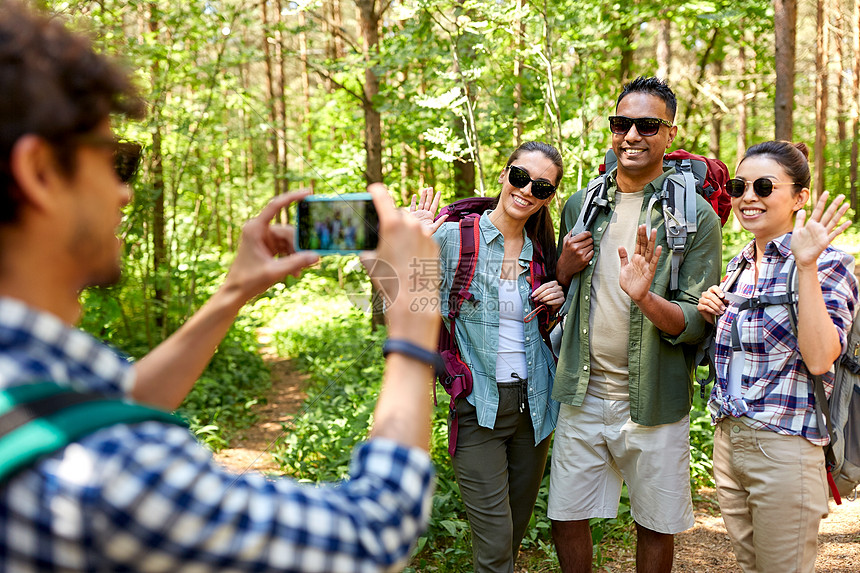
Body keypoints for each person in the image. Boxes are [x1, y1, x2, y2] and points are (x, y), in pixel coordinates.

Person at [0, 2, 442, 570]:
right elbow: (376, 528)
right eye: (115, 161)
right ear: (39, 172)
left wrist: (232, 294)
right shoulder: (107, 472)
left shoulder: (29, 382)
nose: (124, 193)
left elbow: (117, 399)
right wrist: (415, 310)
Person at [548, 76, 723, 573]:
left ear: (669, 133)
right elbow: (563, 290)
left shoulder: (696, 219)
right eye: (622, 123)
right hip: (582, 392)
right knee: (566, 514)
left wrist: (644, 297)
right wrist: (563, 266)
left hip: (654, 398)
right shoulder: (580, 205)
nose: (632, 135)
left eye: (647, 125)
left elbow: (694, 321)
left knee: (655, 523)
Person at [697, 141, 858, 573]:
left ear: (799, 197)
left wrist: (804, 266)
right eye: (739, 186)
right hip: (730, 440)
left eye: (764, 186)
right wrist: (713, 309)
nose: (748, 197)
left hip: (786, 445)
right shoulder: (738, 266)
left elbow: (821, 357)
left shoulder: (829, 263)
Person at [409, 141, 565, 573]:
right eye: (520, 177)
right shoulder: (454, 238)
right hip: (478, 409)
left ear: (549, 197)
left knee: (510, 539)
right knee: (496, 547)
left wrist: (559, 296)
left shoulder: (542, 252)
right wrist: (410, 246)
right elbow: (400, 306)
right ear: (504, 174)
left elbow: (554, 330)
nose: (527, 190)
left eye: (542, 187)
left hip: (535, 411)